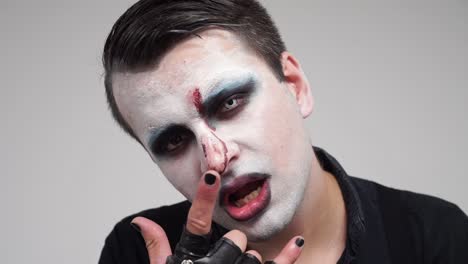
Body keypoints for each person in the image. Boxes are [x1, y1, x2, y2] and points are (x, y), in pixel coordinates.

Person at [98, 0, 468, 263]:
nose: (216, 158)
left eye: (229, 103)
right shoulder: (138, 252)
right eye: (174, 141)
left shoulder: (433, 235)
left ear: (295, 86)